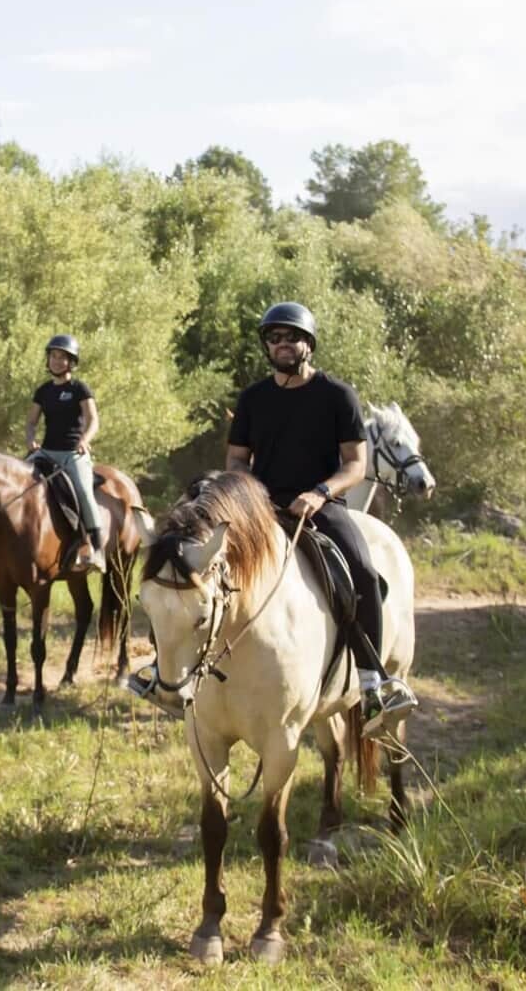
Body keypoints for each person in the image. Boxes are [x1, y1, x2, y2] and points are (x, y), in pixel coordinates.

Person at [224, 302, 418, 736]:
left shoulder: (336, 396)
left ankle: (372, 683)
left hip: (322, 504)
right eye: (274, 338)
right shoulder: (253, 399)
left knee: (365, 572)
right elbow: (237, 460)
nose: (282, 344)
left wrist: (320, 493)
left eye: (291, 337)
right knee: (203, 561)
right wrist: (248, 495)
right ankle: (174, 672)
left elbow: (354, 464)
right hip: (262, 506)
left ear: (308, 344)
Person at [25, 333, 104, 572]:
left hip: (73, 453)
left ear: (71, 362)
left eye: (62, 357)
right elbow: (31, 422)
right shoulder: (43, 391)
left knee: (83, 490)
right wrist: (31, 441)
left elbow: (93, 420)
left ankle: (97, 550)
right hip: (46, 452)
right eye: (53, 356)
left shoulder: (79, 388)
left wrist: (85, 440)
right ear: (48, 359)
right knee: (16, 483)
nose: (57, 361)